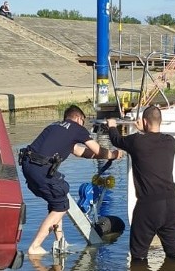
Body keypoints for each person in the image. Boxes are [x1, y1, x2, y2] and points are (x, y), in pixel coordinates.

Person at [20, 105, 123, 255]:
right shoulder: (77, 127)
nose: (83, 127)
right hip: (42, 169)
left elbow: (79, 151)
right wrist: (113, 154)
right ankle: (35, 246)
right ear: (78, 118)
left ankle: (60, 241)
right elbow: (97, 149)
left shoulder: (54, 126)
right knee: (61, 205)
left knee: (57, 200)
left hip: (28, 166)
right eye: (83, 122)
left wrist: (104, 155)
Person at [107, 106, 175, 262]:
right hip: (171, 204)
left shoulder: (136, 141)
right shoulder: (170, 142)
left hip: (149, 206)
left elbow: (116, 140)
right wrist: (143, 130)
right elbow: (151, 142)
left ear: (145, 122)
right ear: (160, 121)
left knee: (138, 257)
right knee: (174, 254)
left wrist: (112, 125)